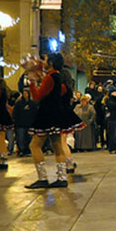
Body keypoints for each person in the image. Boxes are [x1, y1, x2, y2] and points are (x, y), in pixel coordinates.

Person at [24, 53, 81, 189]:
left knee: (35, 145)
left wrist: (32, 82)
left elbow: (37, 96)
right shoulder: (57, 76)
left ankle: (42, 178)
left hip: (46, 115)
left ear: (51, 63)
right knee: (57, 146)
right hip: (56, 115)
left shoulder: (50, 77)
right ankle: (61, 178)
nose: (44, 62)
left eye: (46, 60)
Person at [12, 89, 36, 157]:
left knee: (29, 138)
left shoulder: (33, 104)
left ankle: (28, 150)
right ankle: (21, 151)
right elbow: (15, 113)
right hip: (20, 124)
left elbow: (35, 113)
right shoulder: (19, 104)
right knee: (20, 138)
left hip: (30, 124)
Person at [0, 79, 14, 168]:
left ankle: (3, 159)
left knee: (0, 138)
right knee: (1, 138)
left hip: (0, 116)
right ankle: (3, 158)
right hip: (3, 116)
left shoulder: (1, 93)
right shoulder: (4, 92)